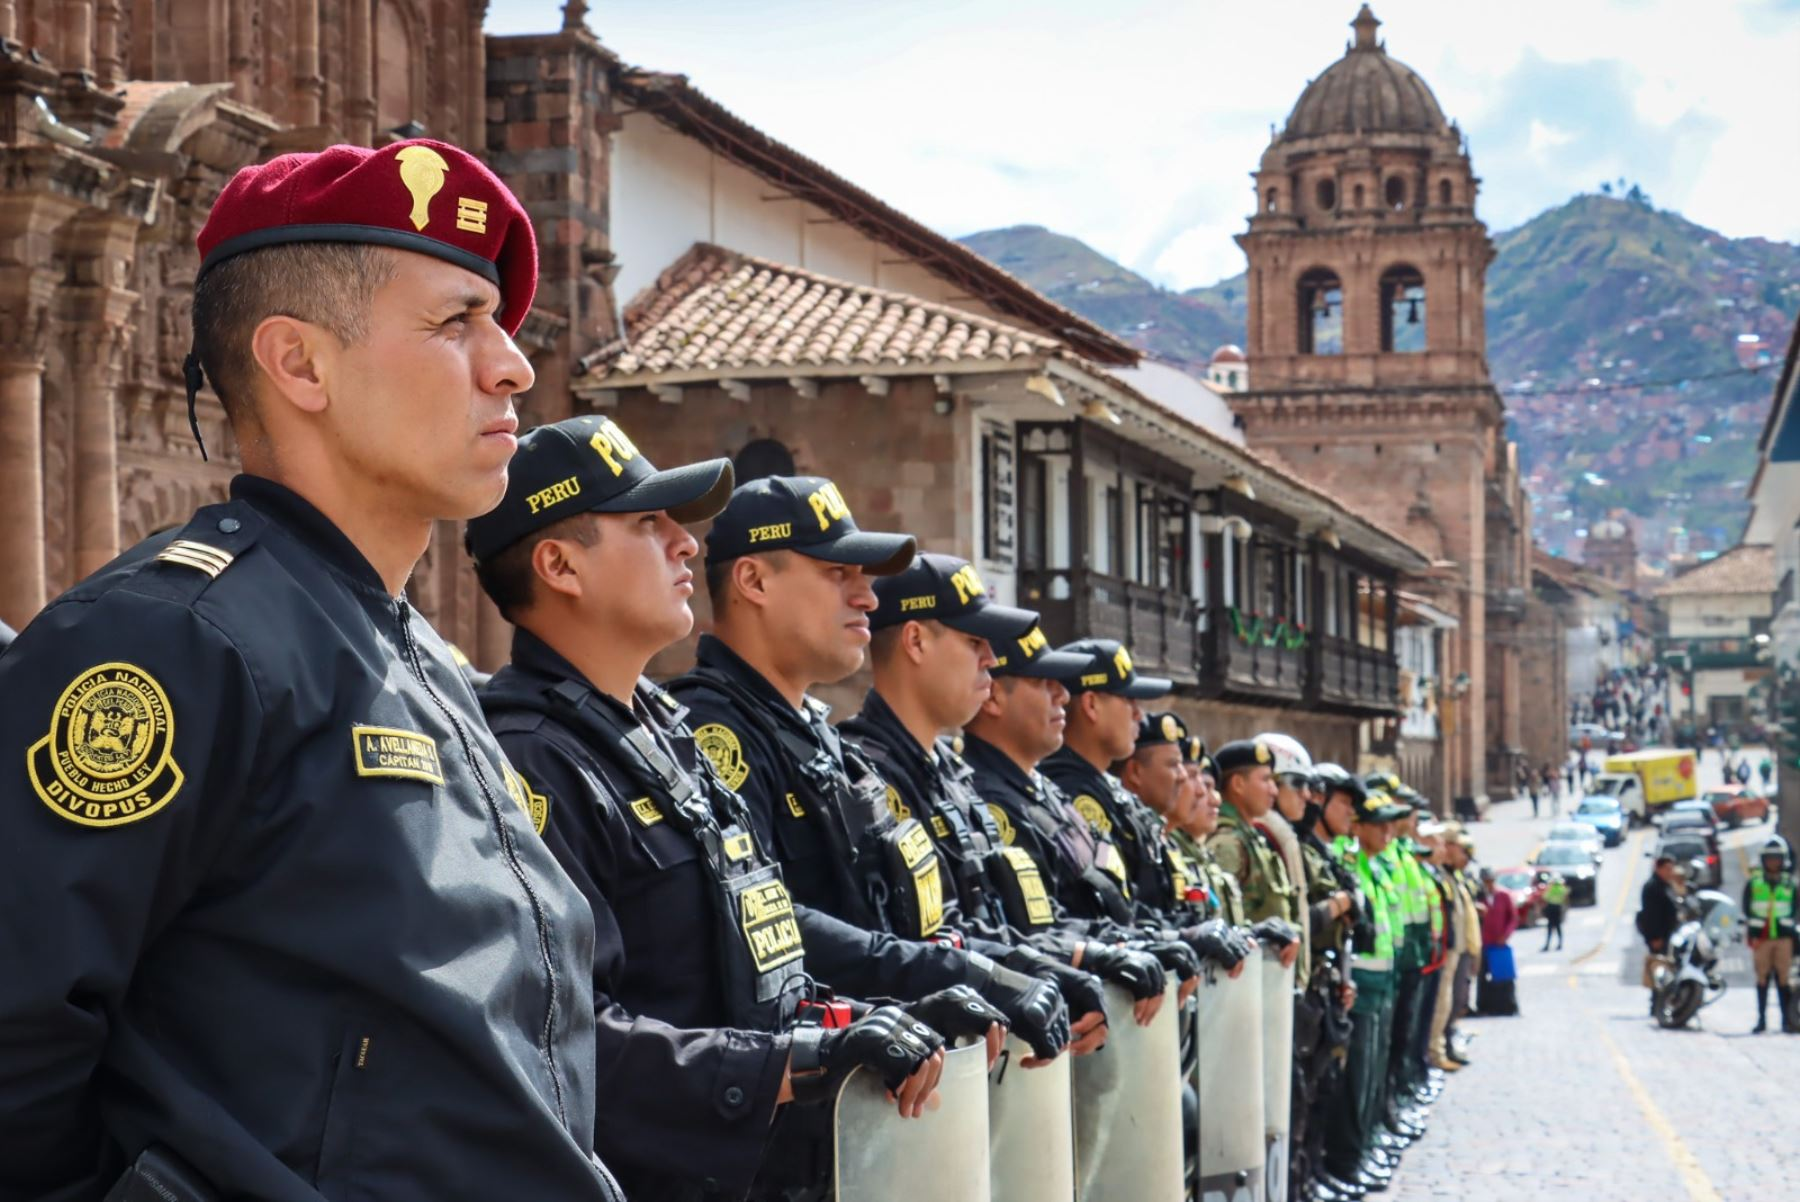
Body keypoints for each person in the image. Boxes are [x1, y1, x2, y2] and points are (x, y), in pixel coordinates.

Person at [0, 140, 627, 1200]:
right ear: (299, 364)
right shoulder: (173, 641)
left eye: (502, 323)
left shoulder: (416, 652)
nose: (513, 364)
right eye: (455, 320)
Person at [467, 418, 989, 1198]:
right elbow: (557, 1035)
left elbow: (754, 963)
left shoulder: (662, 736)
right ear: (558, 565)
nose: (686, 544)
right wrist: (794, 1063)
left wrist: (865, 1017)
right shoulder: (531, 759)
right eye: (649, 522)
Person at [668, 477, 1074, 1059]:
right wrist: (957, 974)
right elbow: (760, 926)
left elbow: (908, 916)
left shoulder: (821, 739)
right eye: (839, 574)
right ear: (754, 581)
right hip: (803, 1089)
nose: (867, 598)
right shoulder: (715, 732)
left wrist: (1020, 963)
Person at [838, 554, 1161, 1044]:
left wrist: (1074, 956)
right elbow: (891, 945)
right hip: (915, 1068)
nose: (990, 658)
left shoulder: (951, 776)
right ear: (916, 640)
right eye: (975, 642)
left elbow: (995, 922)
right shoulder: (864, 775)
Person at [1742, 838, 1797, 1033]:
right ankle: (1761, 1020)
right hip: (1762, 939)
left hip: (1783, 938)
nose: (1773, 862)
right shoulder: (1754, 883)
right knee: (1762, 979)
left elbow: (1795, 910)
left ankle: (1786, 1020)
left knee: (1784, 980)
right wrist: (1752, 932)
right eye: (1770, 858)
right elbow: (1747, 908)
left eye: (1777, 859)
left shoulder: (1790, 884)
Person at [1637, 854, 1683, 1014]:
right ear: (1659, 868)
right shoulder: (1652, 887)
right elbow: (1650, 915)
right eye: (1667, 869)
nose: (1670, 872)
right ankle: (1656, 1005)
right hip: (1658, 937)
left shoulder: (1666, 885)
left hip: (1669, 935)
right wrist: (1655, 938)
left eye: (1672, 869)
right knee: (1659, 972)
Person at [1477, 867, 1520, 1016]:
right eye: (1485, 881)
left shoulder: (1503, 895)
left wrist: (1505, 935)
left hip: (1499, 943)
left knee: (1504, 976)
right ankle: (1485, 1007)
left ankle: (1507, 1006)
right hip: (1483, 942)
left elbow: (1513, 918)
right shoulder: (1478, 897)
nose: (1488, 884)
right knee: (1483, 977)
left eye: (1491, 881)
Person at [1540, 873, 1569, 951]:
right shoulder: (1562, 888)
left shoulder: (1550, 888)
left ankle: (1547, 945)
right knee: (1558, 927)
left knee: (1550, 927)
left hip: (1550, 908)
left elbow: (1545, 897)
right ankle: (1560, 944)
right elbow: (1566, 896)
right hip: (1558, 909)